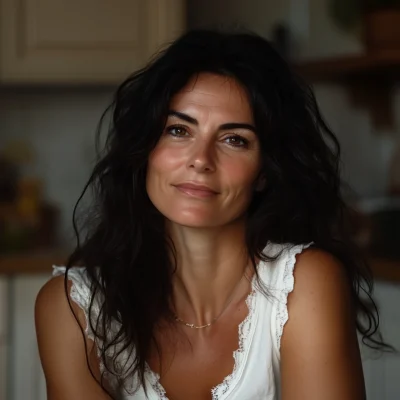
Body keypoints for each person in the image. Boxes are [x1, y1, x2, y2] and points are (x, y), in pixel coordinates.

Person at [35, 29, 389, 400]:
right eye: (178, 130)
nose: (201, 159)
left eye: (234, 139)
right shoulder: (72, 308)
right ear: (145, 150)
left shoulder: (305, 283)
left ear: (265, 170)